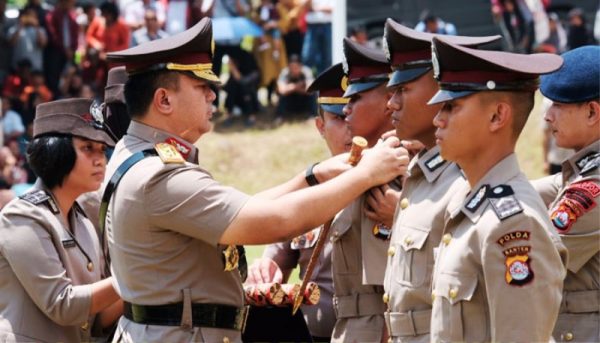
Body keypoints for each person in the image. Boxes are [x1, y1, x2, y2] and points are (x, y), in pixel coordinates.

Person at [104, 18, 409, 342]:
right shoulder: (159, 176)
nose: (213, 95)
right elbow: (272, 220)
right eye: (201, 87)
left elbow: (244, 206)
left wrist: (312, 175)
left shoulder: (137, 154)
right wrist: (365, 174)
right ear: (164, 100)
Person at [426, 35, 567, 342]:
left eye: (451, 106)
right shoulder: (468, 203)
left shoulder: (514, 223)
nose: (437, 119)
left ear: (497, 116)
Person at [382, 20, 500, 342]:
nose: (390, 103)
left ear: (440, 92)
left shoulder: (463, 180)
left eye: (403, 89)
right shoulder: (420, 175)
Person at [0, 98, 122, 342]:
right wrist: (135, 276)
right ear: (55, 150)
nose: (101, 159)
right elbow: (63, 305)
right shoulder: (22, 217)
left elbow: (96, 320)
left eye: (102, 150)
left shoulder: (83, 221)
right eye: (88, 148)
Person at [246, 62, 352, 341]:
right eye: (339, 118)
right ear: (320, 126)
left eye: (355, 114)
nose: (350, 127)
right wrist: (263, 272)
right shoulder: (304, 193)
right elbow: (274, 266)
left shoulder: (396, 188)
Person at [328, 37, 399, 343]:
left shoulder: (399, 171)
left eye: (355, 99)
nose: (346, 109)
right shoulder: (358, 169)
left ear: (388, 102)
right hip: (350, 327)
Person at [534, 45, 600, 342]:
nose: (548, 116)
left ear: (592, 111)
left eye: (558, 105)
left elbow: (534, 258)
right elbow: (525, 192)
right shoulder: (584, 170)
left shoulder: (594, 187)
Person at [275, 54, 316, 122]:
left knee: (313, 94)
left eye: (296, 67)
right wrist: (297, 86)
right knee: (281, 95)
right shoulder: (285, 72)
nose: (294, 70)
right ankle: (280, 116)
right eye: (291, 67)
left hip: (303, 101)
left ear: (301, 66)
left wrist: (291, 88)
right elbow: (281, 90)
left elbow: (311, 90)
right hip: (290, 102)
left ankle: (312, 115)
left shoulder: (306, 71)